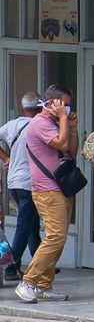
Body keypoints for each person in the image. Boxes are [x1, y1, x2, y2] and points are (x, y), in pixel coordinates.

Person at [15, 85, 78, 304]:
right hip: (47, 189)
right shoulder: (40, 123)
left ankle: (43, 285)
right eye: (65, 105)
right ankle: (28, 281)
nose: (68, 109)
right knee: (55, 237)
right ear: (53, 103)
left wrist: (71, 126)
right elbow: (60, 142)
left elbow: (70, 150)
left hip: (61, 187)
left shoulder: (55, 123)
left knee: (58, 240)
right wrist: (62, 120)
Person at [0, 91, 41, 281]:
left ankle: (41, 264)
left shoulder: (12, 125)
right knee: (24, 226)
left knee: (32, 225)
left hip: (14, 182)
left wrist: (6, 157)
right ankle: (10, 268)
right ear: (39, 107)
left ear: (22, 107)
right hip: (29, 183)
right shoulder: (39, 125)